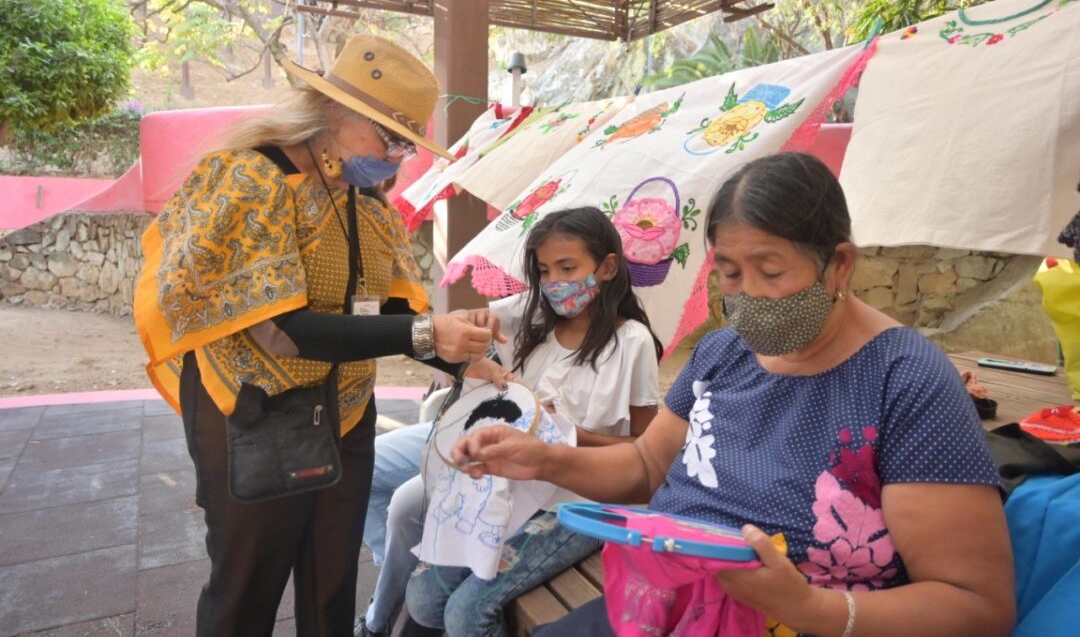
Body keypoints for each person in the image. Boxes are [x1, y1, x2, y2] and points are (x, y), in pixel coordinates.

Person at [451, 153, 1017, 636]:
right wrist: (546, 458)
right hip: (667, 600)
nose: (748, 296)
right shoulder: (724, 353)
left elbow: (974, 603)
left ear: (839, 265)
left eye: (770, 272)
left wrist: (811, 608)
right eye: (728, 274)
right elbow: (648, 464)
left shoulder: (905, 380)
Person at [134, 34, 503, 637]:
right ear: (334, 111)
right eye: (390, 137)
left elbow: (385, 308)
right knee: (245, 588)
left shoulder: (366, 206)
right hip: (252, 407)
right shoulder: (248, 180)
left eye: (407, 144)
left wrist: (459, 354)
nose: (398, 156)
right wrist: (423, 334)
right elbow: (284, 330)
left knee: (332, 586)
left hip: (347, 409)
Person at [356, 207, 664, 637]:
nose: (556, 283)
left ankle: (384, 622)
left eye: (568, 267)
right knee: (425, 602)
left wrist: (565, 433)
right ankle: (384, 612)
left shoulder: (632, 342)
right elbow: (472, 322)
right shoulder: (530, 316)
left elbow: (643, 450)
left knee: (465, 617)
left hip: (579, 500)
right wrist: (474, 322)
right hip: (505, 483)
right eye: (544, 271)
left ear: (608, 267)